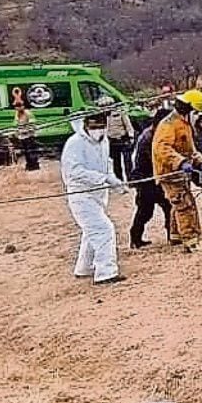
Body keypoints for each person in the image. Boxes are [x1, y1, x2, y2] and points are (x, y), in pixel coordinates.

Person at [61, 111, 130, 285]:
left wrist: (115, 181)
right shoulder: (74, 143)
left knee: (91, 230)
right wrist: (100, 178)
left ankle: (84, 268)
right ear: (86, 126)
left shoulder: (104, 141)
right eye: (94, 127)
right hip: (81, 195)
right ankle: (106, 272)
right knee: (103, 229)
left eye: (102, 127)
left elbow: (106, 164)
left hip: (98, 194)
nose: (98, 131)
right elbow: (73, 172)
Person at [152, 89, 202, 252]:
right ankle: (191, 241)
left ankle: (175, 235)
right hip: (169, 173)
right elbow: (162, 149)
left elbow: (190, 148)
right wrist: (180, 162)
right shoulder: (168, 124)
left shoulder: (184, 124)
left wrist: (201, 162)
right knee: (185, 205)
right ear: (188, 107)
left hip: (180, 172)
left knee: (178, 203)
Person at [129, 108, 173, 248]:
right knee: (145, 211)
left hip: (155, 176)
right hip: (146, 178)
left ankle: (172, 235)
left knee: (168, 206)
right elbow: (156, 159)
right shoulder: (148, 137)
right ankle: (135, 238)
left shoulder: (157, 134)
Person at [97, 96, 136, 183]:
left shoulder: (119, 112)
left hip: (123, 139)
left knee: (127, 161)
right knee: (115, 163)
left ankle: (131, 181)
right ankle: (120, 181)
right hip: (112, 141)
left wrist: (131, 136)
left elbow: (128, 125)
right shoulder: (101, 116)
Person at [13, 100, 40, 171]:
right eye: (16, 107)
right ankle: (29, 165)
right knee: (26, 152)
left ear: (23, 106)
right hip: (22, 136)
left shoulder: (28, 113)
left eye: (20, 106)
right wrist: (17, 133)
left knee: (31, 151)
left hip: (30, 136)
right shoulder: (17, 114)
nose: (18, 108)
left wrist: (26, 130)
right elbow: (16, 124)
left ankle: (35, 166)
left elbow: (32, 124)